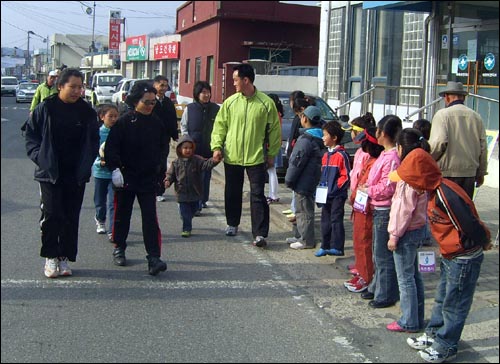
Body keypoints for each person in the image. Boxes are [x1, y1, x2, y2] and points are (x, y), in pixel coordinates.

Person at [387, 147, 492, 363]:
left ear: (421, 177)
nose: (408, 184)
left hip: (463, 257)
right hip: (449, 254)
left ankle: (446, 345)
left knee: (455, 304)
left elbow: (469, 224)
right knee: (442, 298)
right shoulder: (431, 192)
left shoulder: (446, 195)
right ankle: (434, 333)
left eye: (410, 179)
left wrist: (484, 241)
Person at [25, 68, 99, 278]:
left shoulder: (86, 111)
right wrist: (40, 157)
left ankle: (64, 257)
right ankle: (50, 256)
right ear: (60, 86)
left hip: (75, 173)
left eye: (79, 87)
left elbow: (94, 141)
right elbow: (31, 136)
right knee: (52, 214)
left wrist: (87, 162)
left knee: (70, 216)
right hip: (50, 173)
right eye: (72, 87)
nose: (76, 91)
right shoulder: (45, 108)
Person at [211, 63, 281, 247]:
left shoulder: (266, 103)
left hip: (256, 156)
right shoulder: (230, 102)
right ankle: (232, 223)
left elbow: (274, 130)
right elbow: (220, 126)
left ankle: (259, 234)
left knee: (257, 194)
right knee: (232, 191)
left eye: (235, 80)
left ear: (246, 80)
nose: (233, 83)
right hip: (232, 155)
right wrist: (217, 147)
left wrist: (272, 153)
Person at [104, 81, 168, 276]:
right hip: (126, 177)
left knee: (150, 218)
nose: (150, 106)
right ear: (136, 101)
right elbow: (111, 148)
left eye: (153, 102)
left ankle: (154, 257)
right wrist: (115, 169)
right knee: (122, 215)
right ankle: (119, 247)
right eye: (146, 102)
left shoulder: (157, 123)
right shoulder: (124, 122)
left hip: (148, 178)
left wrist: (161, 175)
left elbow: (162, 150)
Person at [385, 128, 431, 333]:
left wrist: (393, 236)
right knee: (414, 276)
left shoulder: (408, 176)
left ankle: (409, 321)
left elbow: (402, 210)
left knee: (405, 279)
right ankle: (417, 317)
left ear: (402, 148)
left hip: (405, 232)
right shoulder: (422, 171)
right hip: (419, 229)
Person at [359, 115, 402, 308]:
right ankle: (377, 286)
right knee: (378, 252)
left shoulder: (392, 157)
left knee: (383, 254)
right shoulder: (385, 154)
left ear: (382, 133)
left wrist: (368, 190)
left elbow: (388, 187)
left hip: (384, 208)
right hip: (377, 206)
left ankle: (385, 293)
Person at [429, 81, 488, 199]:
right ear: (464, 97)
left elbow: (438, 143)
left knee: (445, 212)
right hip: (469, 173)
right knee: (465, 211)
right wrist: (481, 172)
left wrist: (429, 161)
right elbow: (483, 147)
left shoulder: (442, 115)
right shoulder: (476, 116)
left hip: (447, 172)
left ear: (446, 97)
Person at [344, 126, 384, 294]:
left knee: (365, 242)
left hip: (368, 207)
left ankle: (367, 277)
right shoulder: (370, 160)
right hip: (360, 205)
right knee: (358, 241)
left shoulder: (378, 161)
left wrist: (363, 189)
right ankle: (361, 272)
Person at [285, 105, 325, 250]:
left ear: (305, 119)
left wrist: (289, 179)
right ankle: (299, 236)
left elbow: (296, 162)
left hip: (303, 181)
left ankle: (306, 240)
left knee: (303, 211)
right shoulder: (320, 136)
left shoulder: (305, 139)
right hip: (313, 179)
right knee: (303, 209)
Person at [164, 135, 220, 237]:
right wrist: (168, 181)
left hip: (195, 192)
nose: (188, 150)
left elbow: (206, 165)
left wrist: (215, 160)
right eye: (185, 148)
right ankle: (186, 229)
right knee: (186, 213)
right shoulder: (176, 163)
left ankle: (188, 216)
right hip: (182, 193)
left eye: (190, 148)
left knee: (194, 210)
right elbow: (170, 174)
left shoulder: (197, 160)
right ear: (179, 149)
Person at [180, 81, 220, 213]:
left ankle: (202, 201)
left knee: (206, 176)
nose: (206, 95)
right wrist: (187, 142)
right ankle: (195, 202)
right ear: (197, 94)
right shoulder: (190, 108)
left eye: (208, 92)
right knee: (194, 176)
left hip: (209, 149)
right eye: (203, 92)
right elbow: (184, 126)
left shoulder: (216, 109)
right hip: (193, 149)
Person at [316, 120, 351, 257]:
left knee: (336, 220)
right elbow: (322, 174)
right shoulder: (325, 155)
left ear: (334, 137)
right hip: (325, 194)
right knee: (325, 220)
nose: (323, 138)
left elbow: (346, 175)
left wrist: (336, 188)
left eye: (325, 135)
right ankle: (325, 245)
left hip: (337, 195)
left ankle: (337, 246)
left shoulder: (341, 155)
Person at [92, 104, 119, 240]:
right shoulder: (97, 133)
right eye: (110, 116)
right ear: (102, 117)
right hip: (100, 171)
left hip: (115, 172)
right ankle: (100, 219)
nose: (114, 119)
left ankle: (112, 230)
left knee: (113, 201)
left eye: (116, 116)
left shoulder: (120, 132)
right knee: (100, 200)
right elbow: (93, 152)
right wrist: (100, 161)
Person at [152, 75, 179, 202]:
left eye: (166, 85)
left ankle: (159, 190)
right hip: (150, 138)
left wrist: (175, 136)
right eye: (161, 85)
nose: (163, 88)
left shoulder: (168, 102)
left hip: (164, 139)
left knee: (162, 164)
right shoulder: (150, 101)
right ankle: (148, 187)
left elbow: (172, 120)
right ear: (155, 85)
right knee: (151, 163)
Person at [266, 93, 284, 204]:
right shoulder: (279, 113)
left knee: (271, 170)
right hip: (276, 144)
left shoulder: (273, 114)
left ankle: (273, 194)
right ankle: (272, 194)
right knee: (272, 171)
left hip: (272, 144)